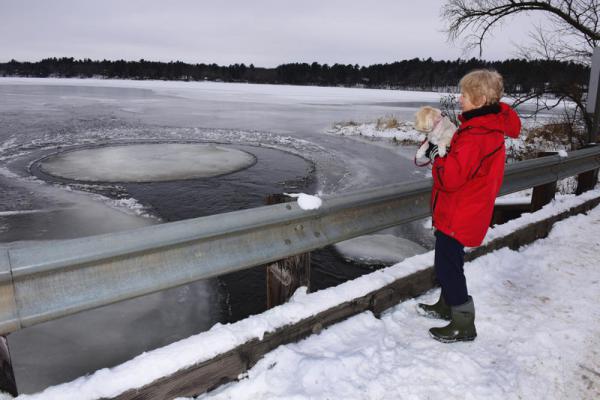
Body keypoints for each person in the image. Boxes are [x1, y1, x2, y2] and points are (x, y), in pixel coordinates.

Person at [418, 69, 521, 343]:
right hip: (464, 208)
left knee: (447, 266)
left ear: (481, 98)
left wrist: (439, 158)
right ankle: (446, 306)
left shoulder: (477, 134)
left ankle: (464, 324)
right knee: (449, 262)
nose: (459, 98)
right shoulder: (482, 127)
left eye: (464, 94)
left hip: (460, 211)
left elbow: (451, 177)